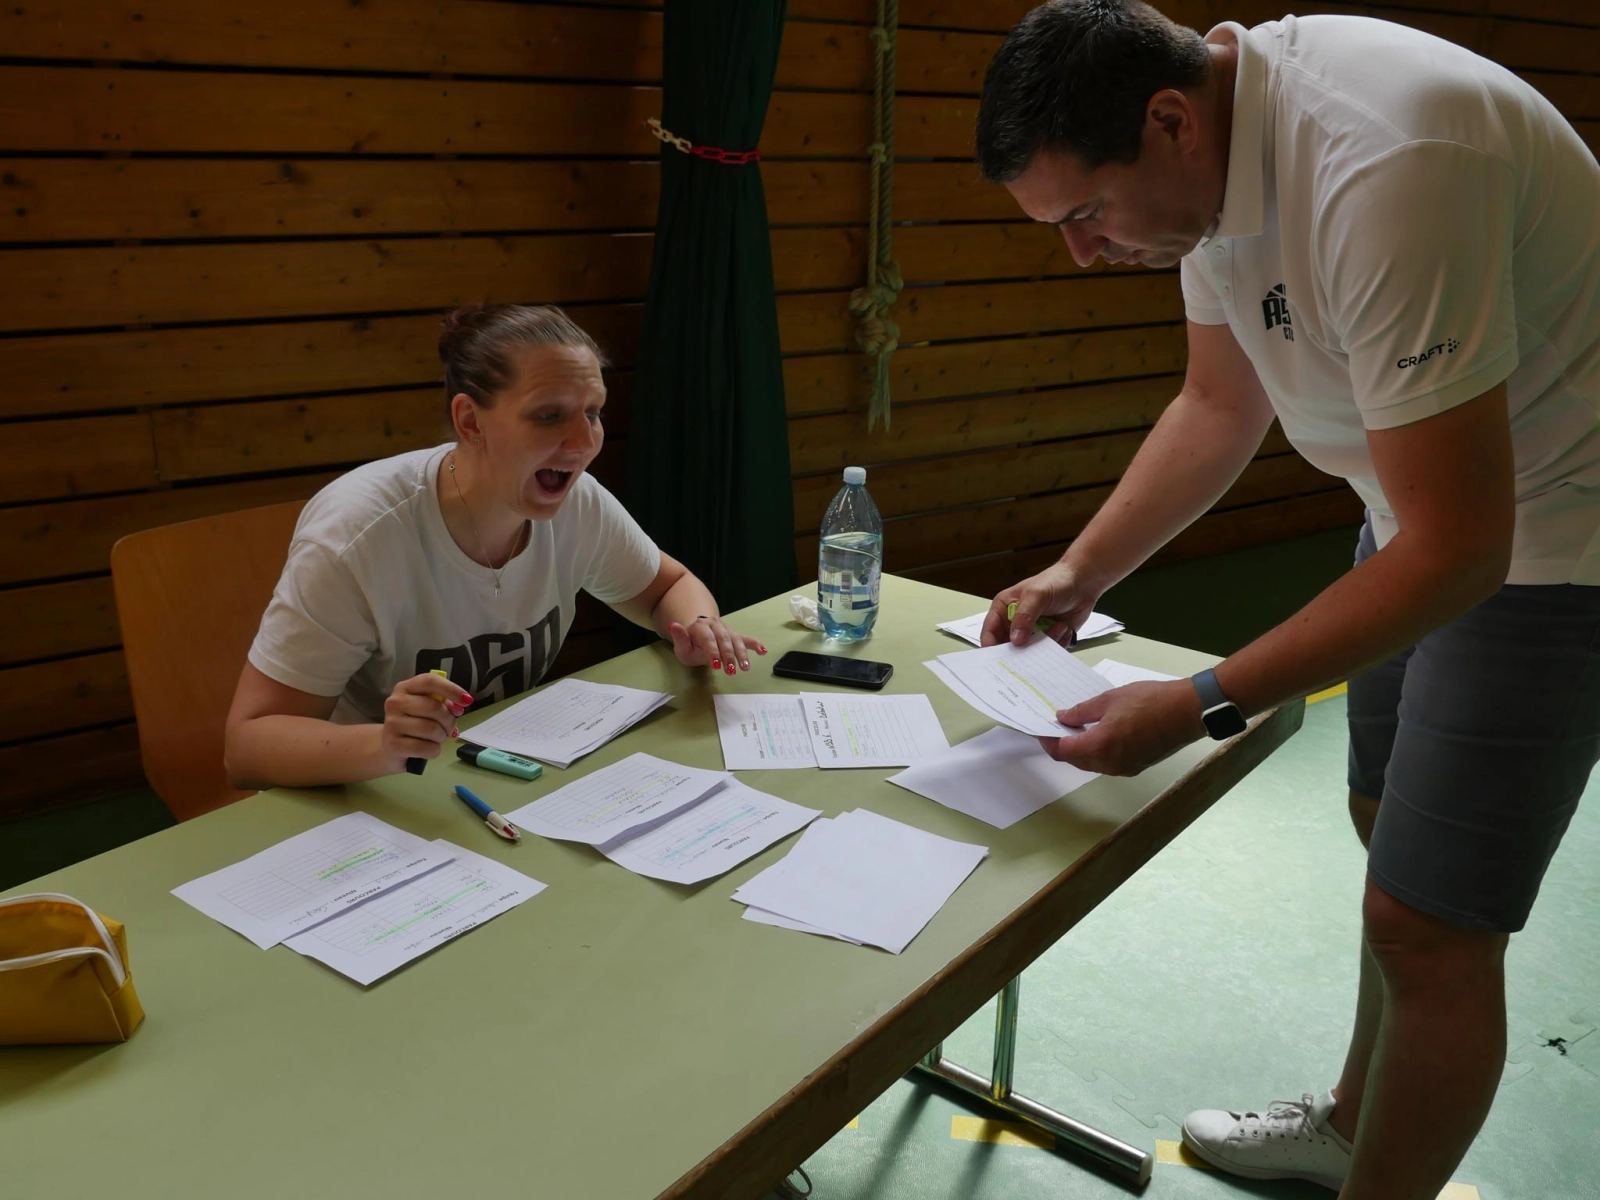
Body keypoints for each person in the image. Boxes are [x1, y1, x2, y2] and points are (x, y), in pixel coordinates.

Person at [974, 3, 1600, 1197]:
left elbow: (1465, 549)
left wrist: (1201, 701)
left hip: (1559, 533)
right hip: (1415, 513)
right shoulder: (1209, 164)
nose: (1082, 252)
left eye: (1084, 213)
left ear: (1168, 121)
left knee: (1433, 928)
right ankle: (1354, 1125)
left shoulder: (1388, 160)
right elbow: (1219, 402)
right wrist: (1080, 571)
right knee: (1383, 831)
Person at [226, 303, 766, 790]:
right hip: (366, 795)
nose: (584, 442)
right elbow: (246, 749)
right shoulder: (357, 535)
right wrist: (385, 745)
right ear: (470, 421)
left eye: (593, 412)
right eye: (549, 415)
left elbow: (667, 587)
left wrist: (696, 627)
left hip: (500, 776)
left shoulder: (578, 503)